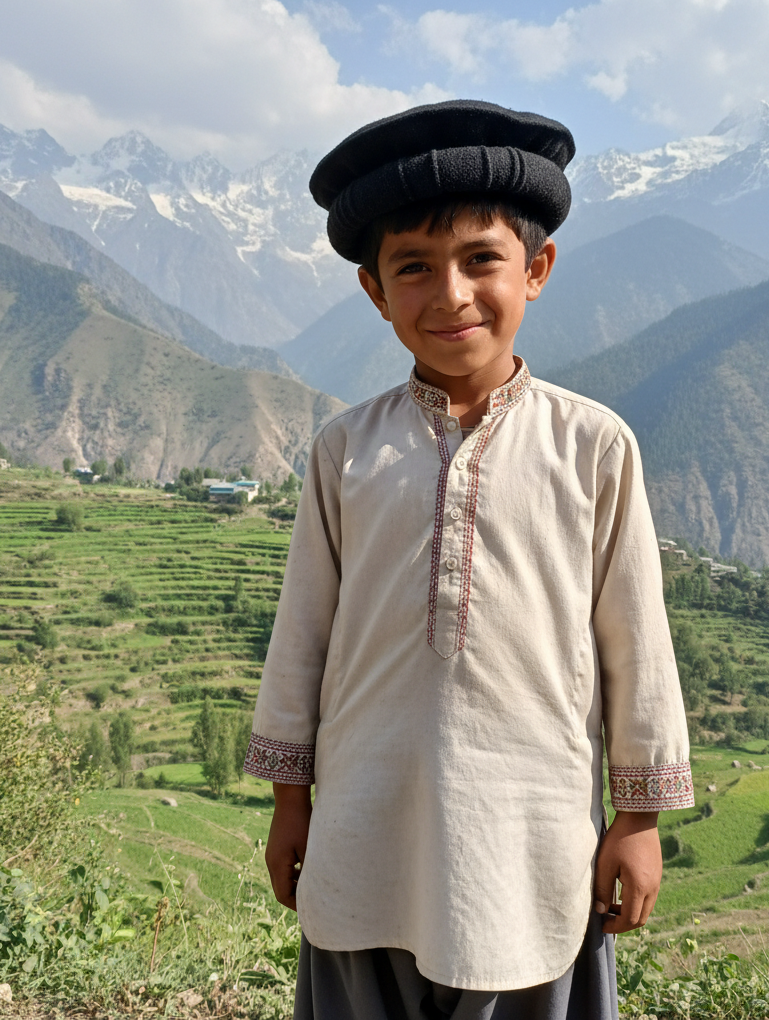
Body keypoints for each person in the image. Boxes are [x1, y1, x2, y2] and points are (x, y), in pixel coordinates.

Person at [243, 100, 694, 1020]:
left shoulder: (594, 447)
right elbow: (304, 636)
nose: (449, 295)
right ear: (374, 290)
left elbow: (636, 643)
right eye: (412, 267)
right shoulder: (346, 451)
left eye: (481, 260)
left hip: (527, 843)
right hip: (365, 829)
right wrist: (292, 804)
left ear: (537, 269)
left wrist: (638, 822)